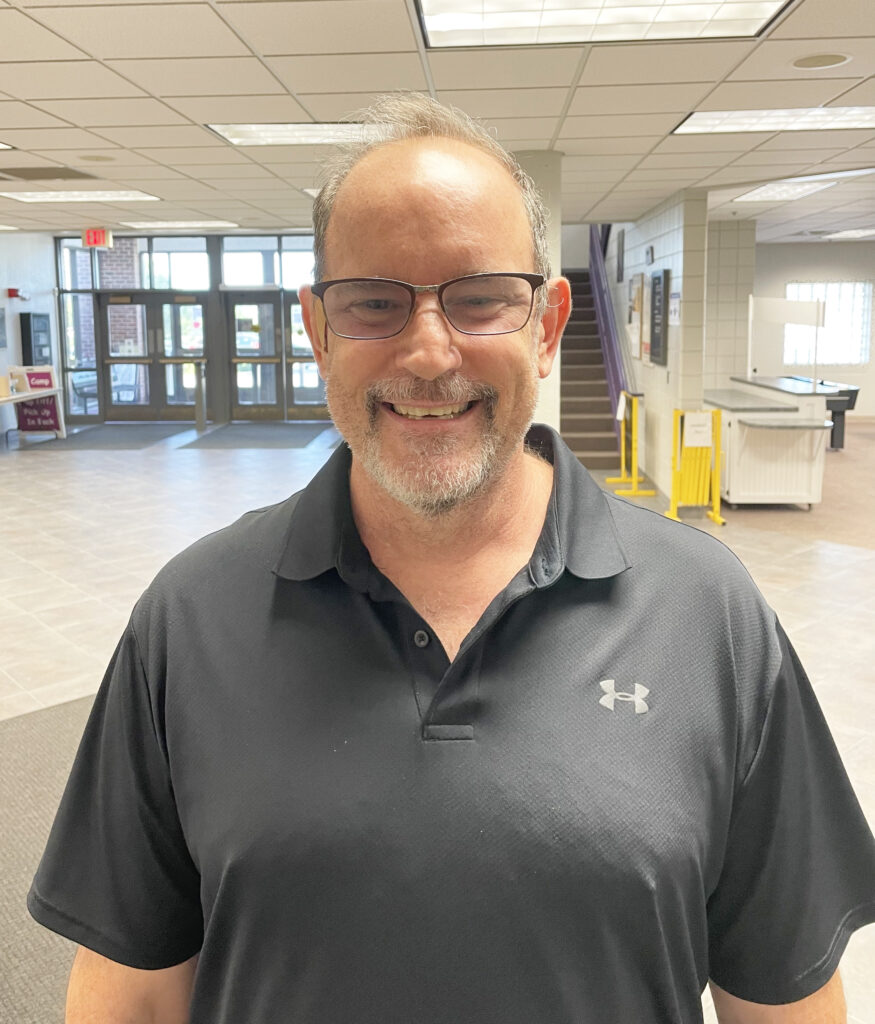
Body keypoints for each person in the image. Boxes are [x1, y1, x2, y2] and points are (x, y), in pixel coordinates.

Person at [29, 93, 875, 1024]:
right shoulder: (190, 614)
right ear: (316, 331)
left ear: (547, 326)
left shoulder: (706, 613)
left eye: (479, 299)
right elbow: (135, 992)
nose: (430, 354)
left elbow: (782, 997)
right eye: (373, 304)